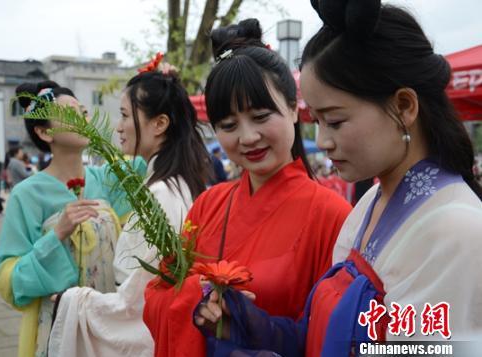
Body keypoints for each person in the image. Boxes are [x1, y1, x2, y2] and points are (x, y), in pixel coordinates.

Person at [195, 2, 482, 355]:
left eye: (335, 120)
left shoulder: (457, 233)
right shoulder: (366, 207)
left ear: (405, 106)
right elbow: (318, 334)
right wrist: (247, 321)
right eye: (316, 120)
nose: (323, 140)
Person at [143, 18, 352, 357]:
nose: (247, 137)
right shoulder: (208, 204)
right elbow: (158, 292)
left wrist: (253, 325)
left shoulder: (333, 215)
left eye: (260, 116)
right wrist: (196, 301)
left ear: (293, 108)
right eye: (228, 124)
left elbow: (333, 334)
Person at [47, 67, 212, 356]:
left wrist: (72, 301)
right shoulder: (178, 182)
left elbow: (139, 304)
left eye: (125, 115)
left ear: (159, 123)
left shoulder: (160, 194)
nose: (118, 126)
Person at [0, 80, 147, 357]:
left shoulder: (109, 177)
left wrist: (159, 86)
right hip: (59, 324)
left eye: (84, 111)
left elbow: (154, 153)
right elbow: (9, 280)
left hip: (108, 319)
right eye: (70, 114)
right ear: (44, 132)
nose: (83, 118)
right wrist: (57, 235)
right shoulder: (27, 194)